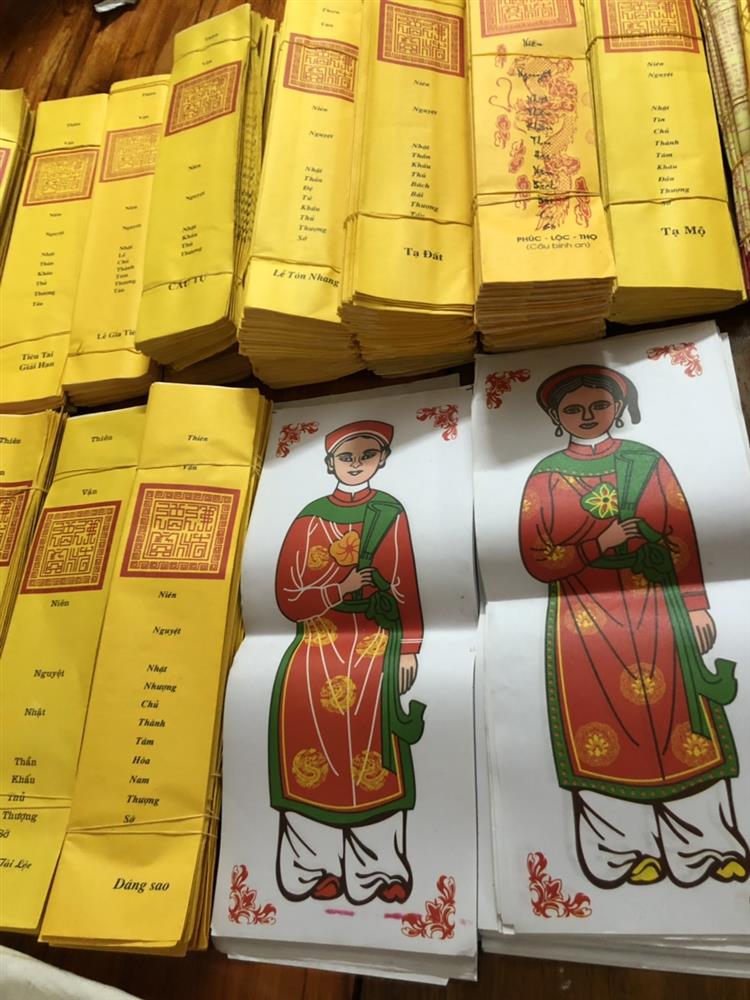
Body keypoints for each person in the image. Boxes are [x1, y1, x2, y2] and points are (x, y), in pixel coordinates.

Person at [519, 364, 748, 888]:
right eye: (573, 409)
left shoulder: (648, 462)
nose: (587, 416)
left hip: (656, 604)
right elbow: (536, 555)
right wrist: (595, 546)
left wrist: (695, 604)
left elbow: (680, 534)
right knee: (598, 725)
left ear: (618, 408)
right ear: (557, 416)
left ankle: (707, 847)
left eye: (599, 405)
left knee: (683, 721)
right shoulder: (546, 475)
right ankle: (621, 852)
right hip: (584, 612)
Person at [269, 420, 424, 904]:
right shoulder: (308, 519)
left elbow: (405, 581)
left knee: (376, 762)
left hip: (374, 648)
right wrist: (340, 588)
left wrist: (409, 646)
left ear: (382, 460)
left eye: (367, 455)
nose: (356, 465)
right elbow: (287, 597)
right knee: (309, 758)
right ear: (329, 463)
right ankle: (310, 869)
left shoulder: (390, 512)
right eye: (346, 457)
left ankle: (378, 872)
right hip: (315, 649)